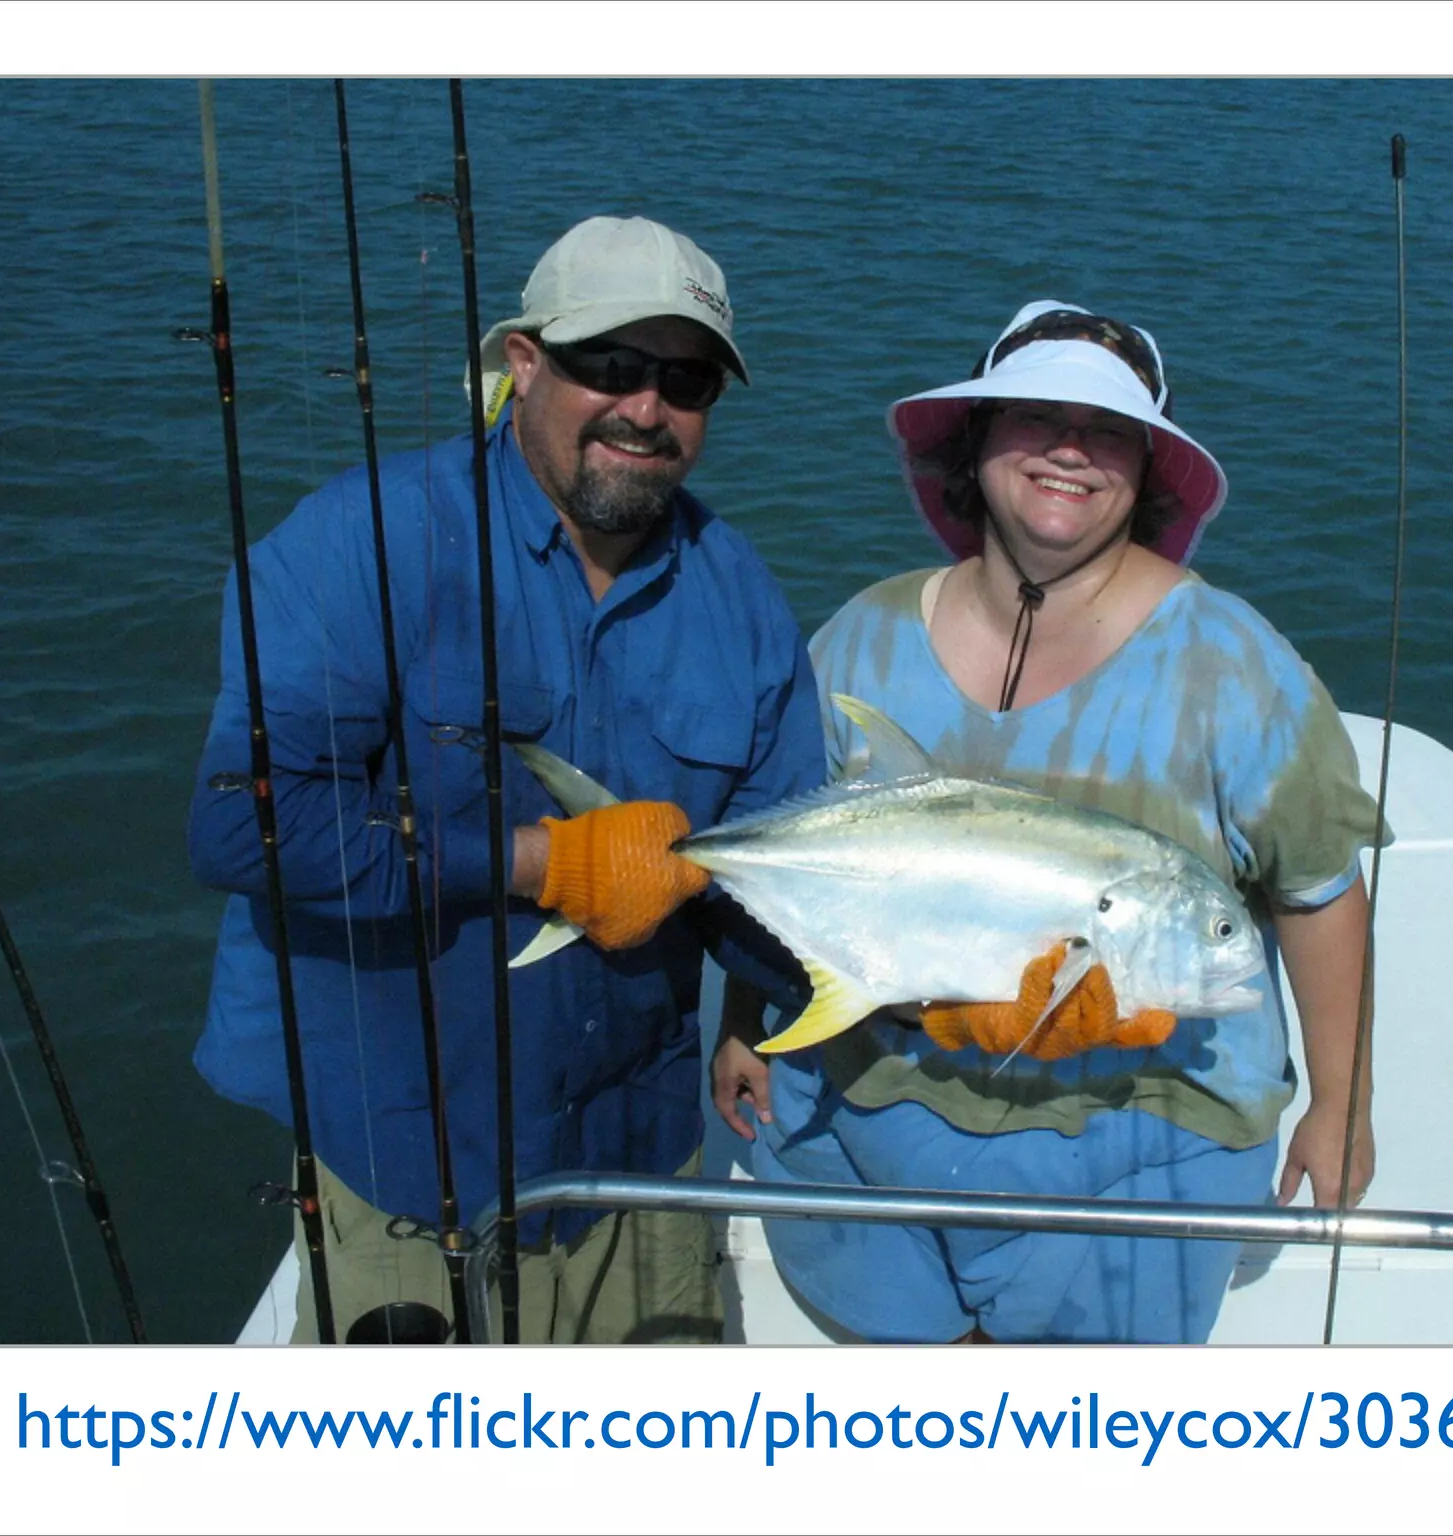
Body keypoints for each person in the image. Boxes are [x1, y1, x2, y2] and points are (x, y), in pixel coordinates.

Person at [188, 215, 824, 1344]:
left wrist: (874, 983)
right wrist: (541, 860)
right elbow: (246, 831)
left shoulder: (744, 607)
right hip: (398, 1146)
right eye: (609, 365)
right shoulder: (357, 545)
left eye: (684, 380)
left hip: (630, 1148)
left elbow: (769, 888)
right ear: (522, 363)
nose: (645, 408)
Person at [711, 300, 1385, 1344]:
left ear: (1146, 471)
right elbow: (804, 858)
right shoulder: (861, 638)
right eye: (1032, 417)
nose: (1068, 449)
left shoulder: (1232, 664)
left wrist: (1339, 1106)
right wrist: (742, 1019)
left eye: (1108, 429)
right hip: (874, 1100)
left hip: (1142, 1131)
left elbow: (1316, 890)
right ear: (974, 445)